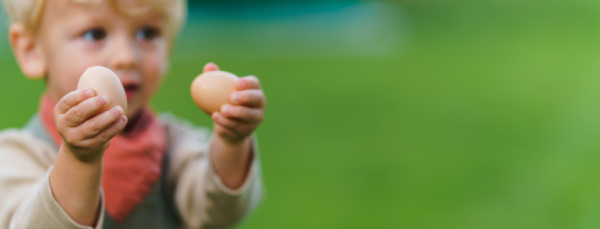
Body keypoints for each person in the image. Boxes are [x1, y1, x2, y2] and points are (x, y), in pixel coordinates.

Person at [0, 0, 266, 228]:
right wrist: (79, 159)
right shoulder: (17, 156)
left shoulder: (174, 146)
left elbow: (220, 213)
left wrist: (232, 140)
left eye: (148, 33)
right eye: (95, 34)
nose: (127, 57)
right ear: (31, 50)